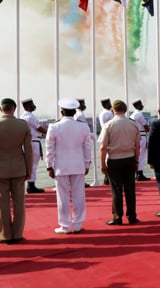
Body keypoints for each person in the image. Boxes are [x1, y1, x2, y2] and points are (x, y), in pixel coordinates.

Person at [0, 98, 33, 244]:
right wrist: (29, 170)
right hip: (19, 168)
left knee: (2, 204)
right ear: (14, 109)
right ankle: (17, 234)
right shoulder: (23, 125)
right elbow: (28, 151)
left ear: (1, 109)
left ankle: (5, 235)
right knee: (19, 204)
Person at [45, 98, 92, 234]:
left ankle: (65, 226)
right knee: (79, 196)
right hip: (78, 165)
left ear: (61, 111)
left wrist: (49, 166)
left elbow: (50, 148)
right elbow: (87, 148)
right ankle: (77, 224)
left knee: (62, 197)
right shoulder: (83, 126)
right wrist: (87, 163)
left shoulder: (54, 126)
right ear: (74, 111)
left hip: (61, 166)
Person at [99, 99, 141, 225]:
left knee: (116, 190)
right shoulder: (133, 124)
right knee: (130, 189)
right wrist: (137, 161)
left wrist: (102, 164)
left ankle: (117, 217)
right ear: (126, 110)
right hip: (129, 158)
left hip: (114, 159)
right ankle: (132, 216)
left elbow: (103, 147)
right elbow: (137, 146)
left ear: (113, 111)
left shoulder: (109, 125)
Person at [21, 98, 47, 193]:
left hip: (31, 141)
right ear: (27, 106)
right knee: (33, 165)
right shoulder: (29, 116)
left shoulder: (24, 116)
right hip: (33, 141)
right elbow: (39, 128)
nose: (33, 105)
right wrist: (51, 132)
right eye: (32, 104)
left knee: (31, 164)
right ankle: (31, 186)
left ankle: (30, 184)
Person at [130, 99, 151, 181]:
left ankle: (136, 173)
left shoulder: (132, 115)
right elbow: (146, 127)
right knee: (141, 156)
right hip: (142, 136)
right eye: (140, 104)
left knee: (136, 156)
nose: (142, 105)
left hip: (134, 137)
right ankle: (140, 174)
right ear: (137, 105)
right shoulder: (139, 114)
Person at [98, 98, 114, 185]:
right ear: (105, 104)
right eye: (108, 103)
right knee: (110, 156)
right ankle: (108, 177)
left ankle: (106, 177)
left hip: (104, 134)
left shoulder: (101, 113)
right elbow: (114, 122)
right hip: (110, 134)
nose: (110, 104)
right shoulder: (108, 113)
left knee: (107, 155)